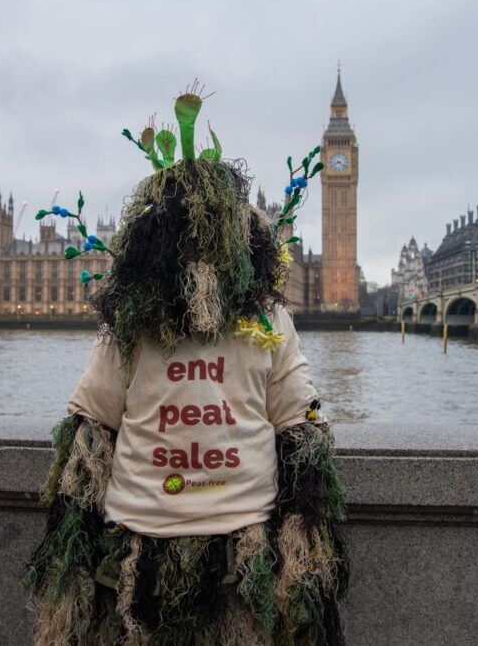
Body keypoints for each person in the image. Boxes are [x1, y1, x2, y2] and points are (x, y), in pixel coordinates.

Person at [25, 86, 348, 645]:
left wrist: (70, 549)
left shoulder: (138, 322)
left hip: (171, 543)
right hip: (202, 546)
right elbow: (301, 430)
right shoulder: (265, 317)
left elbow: (87, 434)